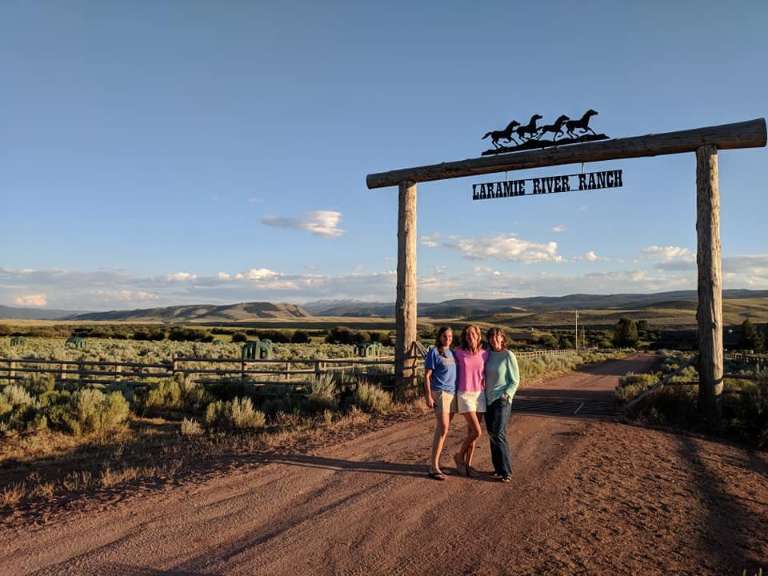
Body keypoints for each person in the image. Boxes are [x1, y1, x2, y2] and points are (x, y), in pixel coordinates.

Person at [483, 327, 520, 483]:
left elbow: (515, 380)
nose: (494, 339)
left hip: (502, 400)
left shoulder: (508, 355)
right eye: (491, 336)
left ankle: (506, 471)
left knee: (499, 433)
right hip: (487, 399)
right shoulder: (487, 355)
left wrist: (507, 395)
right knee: (492, 435)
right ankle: (498, 469)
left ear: (502, 338)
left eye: (497, 336)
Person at [452, 324, 488, 477]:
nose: (470, 336)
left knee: (471, 432)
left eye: (473, 334)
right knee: (477, 432)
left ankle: (468, 465)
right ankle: (459, 457)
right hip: (464, 394)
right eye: (467, 334)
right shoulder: (458, 352)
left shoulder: (485, 353)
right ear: (464, 337)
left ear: (478, 336)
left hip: (479, 394)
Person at [423, 326, 457, 481]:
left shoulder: (452, 352)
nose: (447, 338)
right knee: (443, 427)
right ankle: (433, 467)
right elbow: (427, 375)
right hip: (440, 393)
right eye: (445, 336)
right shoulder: (434, 352)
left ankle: (435, 464)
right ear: (439, 337)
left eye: (450, 336)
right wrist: (428, 396)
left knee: (443, 429)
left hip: (452, 393)